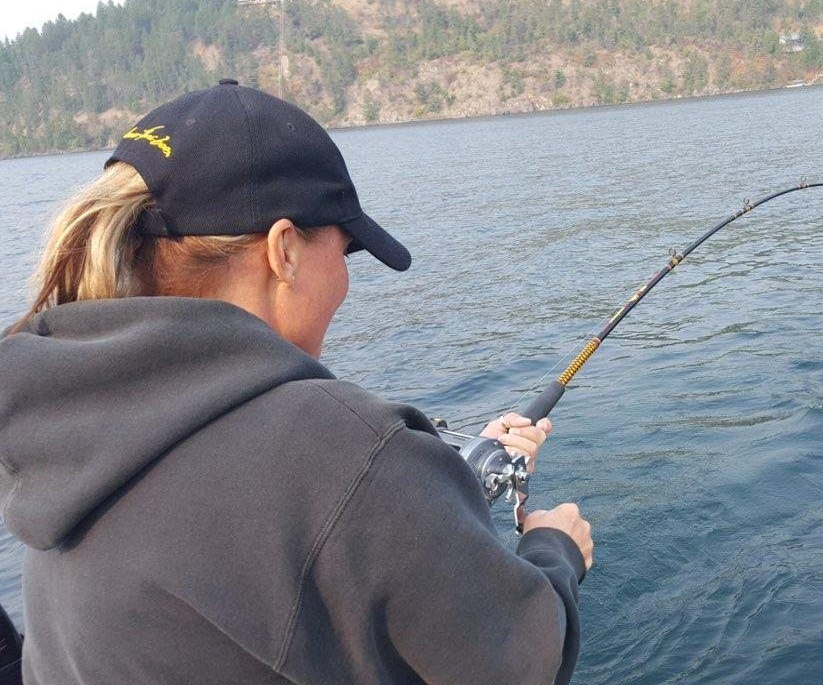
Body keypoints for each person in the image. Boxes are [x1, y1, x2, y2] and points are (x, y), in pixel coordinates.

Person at [0, 79, 593, 684]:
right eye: (345, 250)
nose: (344, 281)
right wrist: (555, 550)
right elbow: (523, 663)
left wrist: (440, 486)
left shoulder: (59, 438)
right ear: (284, 250)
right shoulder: (351, 456)